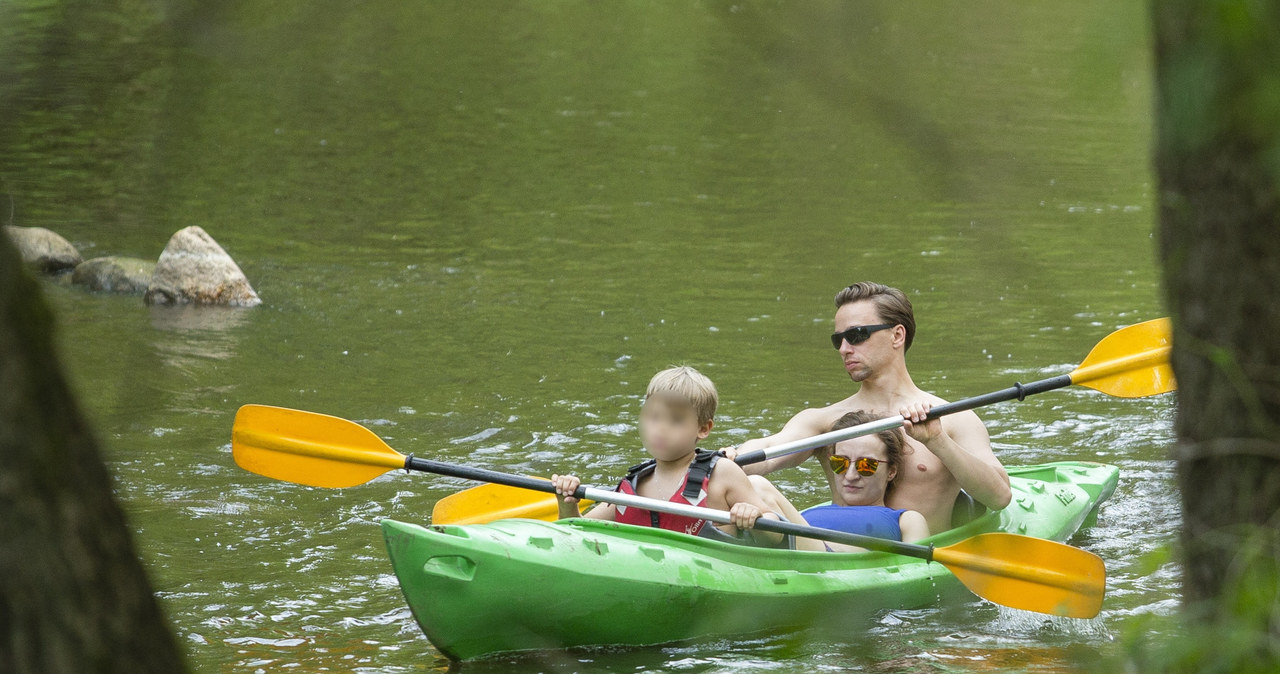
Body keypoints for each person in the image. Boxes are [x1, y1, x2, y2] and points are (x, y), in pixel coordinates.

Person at [730, 282, 1011, 534]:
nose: (843, 348)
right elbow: (768, 451)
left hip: (915, 556)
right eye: (837, 339)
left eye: (856, 335)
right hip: (843, 551)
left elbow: (999, 497)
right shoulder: (824, 420)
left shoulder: (954, 418)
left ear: (897, 336)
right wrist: (733, 457)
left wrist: (938, 442)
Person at [552, 366, 784, 545]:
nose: (661, 429)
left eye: (675, 420)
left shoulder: (722, 473)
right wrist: (567, 502)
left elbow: (775, 536)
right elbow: (577, 534)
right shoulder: (634, 484)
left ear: (703, 428)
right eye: (654, 417)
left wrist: (752, 516)